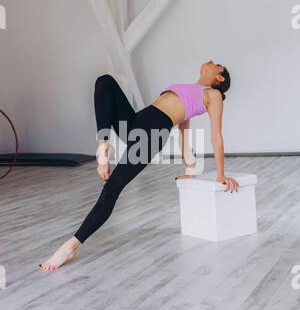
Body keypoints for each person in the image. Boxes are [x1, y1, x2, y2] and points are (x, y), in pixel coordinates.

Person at [39, 60, 239, 271]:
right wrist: (189, 168)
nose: (210, 62)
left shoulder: (213, 95)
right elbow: (184, 135)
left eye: (216, 64)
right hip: (136, 120)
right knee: (104, 81)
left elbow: (216, 136)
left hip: (152, 134)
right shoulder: (191, 90)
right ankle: (103, 146)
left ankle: (71, 245)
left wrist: (221, 175)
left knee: (111, 189)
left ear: (220, 77)